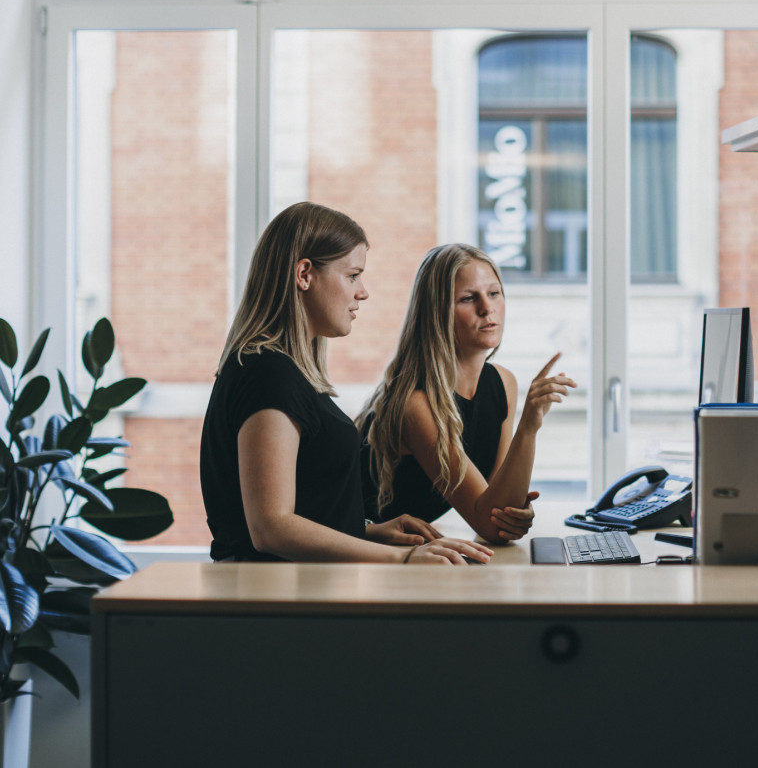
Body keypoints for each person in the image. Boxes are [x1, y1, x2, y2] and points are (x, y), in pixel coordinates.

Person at [200, 202, 493, 565]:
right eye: (353, 275)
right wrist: (402, 559)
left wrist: (368, 530)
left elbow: (300, 510)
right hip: (276, 602)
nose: (363, 292)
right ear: (304, 274)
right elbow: (270, 529)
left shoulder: (280, 370)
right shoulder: (267, 374)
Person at [358, 243, 577, 545]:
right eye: (467, 298)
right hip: (356, 557)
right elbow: (490, 525)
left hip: (410, 557)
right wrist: (529, 427)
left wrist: (517, 514)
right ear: (437, 313)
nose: (487, 308)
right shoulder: (416, 403)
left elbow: (498, 509)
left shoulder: (503, 383)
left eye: (494, 293)